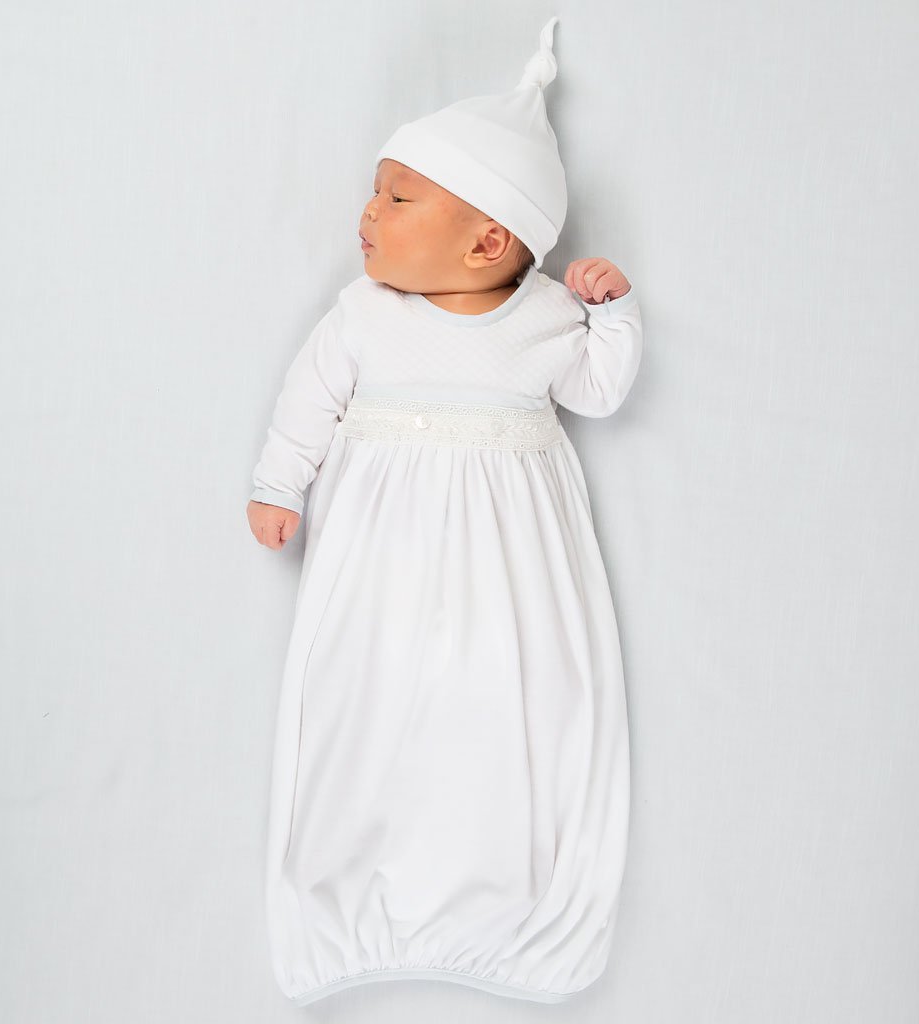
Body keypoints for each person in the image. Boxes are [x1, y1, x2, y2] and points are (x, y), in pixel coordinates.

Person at [246, 16, 644, 1007]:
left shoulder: (549, 315)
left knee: (509, 700)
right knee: (368, 695)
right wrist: (278, 481)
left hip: (511, 558)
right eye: (376, 192)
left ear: (488, 237)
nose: (367, 213)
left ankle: (513, 917)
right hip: (381, 548)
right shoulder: (363, 314)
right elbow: (310, 395)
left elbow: (600, 389)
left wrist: (613, 310)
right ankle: (344, 910)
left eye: (396, 195)